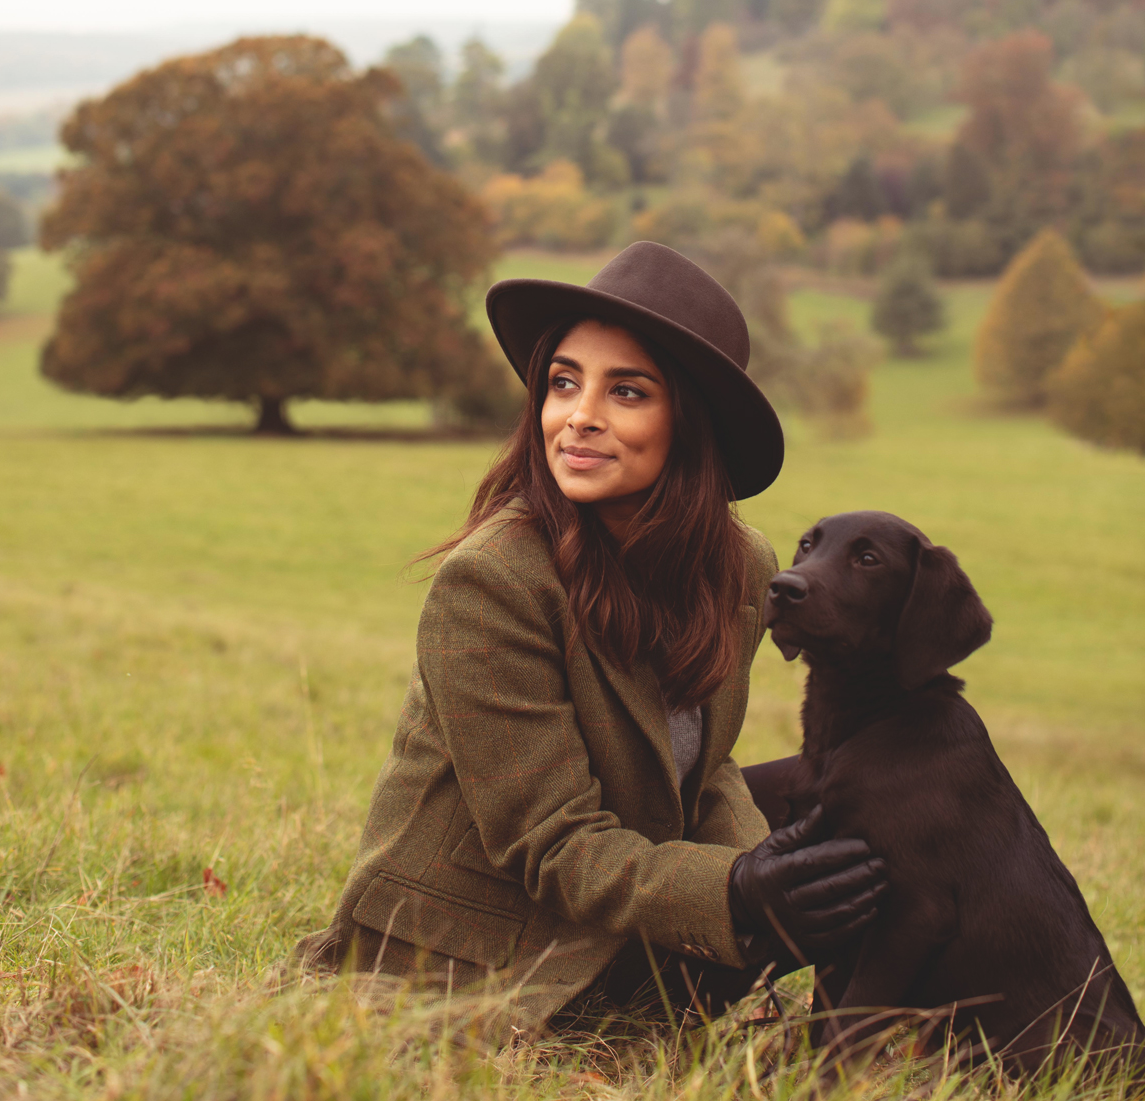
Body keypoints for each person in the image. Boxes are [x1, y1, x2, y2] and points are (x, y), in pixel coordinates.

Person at [294, 242, 887, 1032]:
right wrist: (741, 892)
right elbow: (552, 840)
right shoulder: (492, 581)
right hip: (487, 946)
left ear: (690, 422)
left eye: (627, 392)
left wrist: (771, 875)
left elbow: (704, 778)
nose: (579, 416)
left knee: (878, 803)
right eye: (564, 382)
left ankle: (929, 1019)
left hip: (628, 882)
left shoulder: (740, 566)